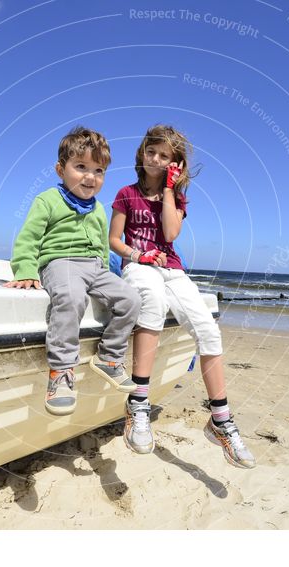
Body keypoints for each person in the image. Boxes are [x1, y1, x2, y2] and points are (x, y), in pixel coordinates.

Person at [109, 125, 256, 468]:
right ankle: (138, 404)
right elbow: (114, 240)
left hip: (172, 268)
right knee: (154, 303)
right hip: (138, 265)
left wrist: (171, 189)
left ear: (174, 163)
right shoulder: (126, 194)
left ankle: (220, 420)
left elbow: (171, 232)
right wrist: (138, 255)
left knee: (207, 329)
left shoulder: (177, 197)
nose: (156, 159)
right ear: (141, 154)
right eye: (151, 152)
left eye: (164, 156)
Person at [5, 127, 141, 416]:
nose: (90, 177)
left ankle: (109, 357)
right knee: (71, 297)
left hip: (94, 268)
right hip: (60, 262)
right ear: (60, 169)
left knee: (131, 300)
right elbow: (28, 239)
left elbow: (104, 251)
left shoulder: (99, 211)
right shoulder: (48, 200)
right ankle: (62, 372)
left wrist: (106, 277)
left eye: (98, 170)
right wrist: (25, 270)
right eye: (81, 167)